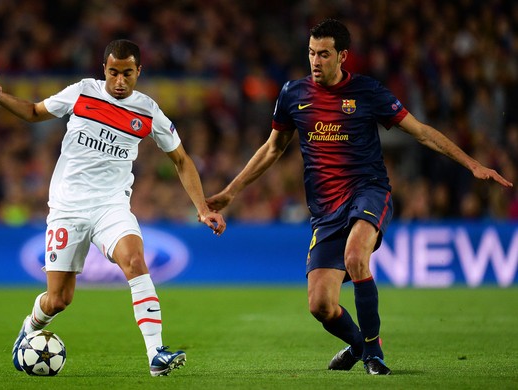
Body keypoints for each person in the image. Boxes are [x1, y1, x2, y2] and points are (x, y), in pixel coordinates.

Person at [206, 19, 513, 375]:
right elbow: (272, 149)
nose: (315, 61)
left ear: (343, 56)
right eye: (311, 53)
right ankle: (357, 344)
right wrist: (231, 191)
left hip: (369, 192)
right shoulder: (293, 94)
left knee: (355, 256)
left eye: (324, 54)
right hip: (325, 211)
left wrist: (472, 164)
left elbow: (422, 133)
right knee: (320, 305)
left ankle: (373, 353)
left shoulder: (368, 93)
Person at [0, 39, 226, 377]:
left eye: (127, 73)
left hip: (111, 206)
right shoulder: (83, 93)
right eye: (113, 73)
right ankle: (30, 324)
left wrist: (201, 207)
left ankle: (156, 353)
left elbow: (181, 160)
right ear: (104, 70)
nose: (119, 81)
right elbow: (35, 112)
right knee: (59, 299)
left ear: (139, 71)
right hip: (67, 207)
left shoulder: (148, 111)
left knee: (135, 260)